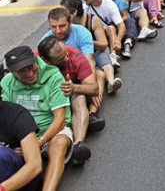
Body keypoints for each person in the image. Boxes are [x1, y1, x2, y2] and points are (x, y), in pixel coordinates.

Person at [1, 46, 73, 191]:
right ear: (12, 72)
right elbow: (5, 115)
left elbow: (60, 119)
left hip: (51, 130)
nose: (29, 73)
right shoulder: (6, 83)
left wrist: (40, 141)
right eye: (22, 71)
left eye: (30, 66)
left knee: (58, 145)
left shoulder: (53, 76)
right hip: (21, 135)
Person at [37, 36, 100, 166]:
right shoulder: (34, 61)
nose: (66, 59)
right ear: (45, 60)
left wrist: (74, 88)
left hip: (70, 96)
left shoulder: (75, 55)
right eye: (60, 59)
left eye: (66, 54)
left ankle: (78, 145)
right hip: (46, 99)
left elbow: (94, 88)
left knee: (80, 97)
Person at [82, 0, 127, 69]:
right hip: (94, 34)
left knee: (111, 28)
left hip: (107, 34)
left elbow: (121, 25)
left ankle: (113, 56)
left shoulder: (110, 5)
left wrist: (118, 39)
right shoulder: (85, 7)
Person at [0, 100, 42, 191]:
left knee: (2, 155)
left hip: (21, 179)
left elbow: (35, 165)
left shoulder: (16, 114)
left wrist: (2, 188)